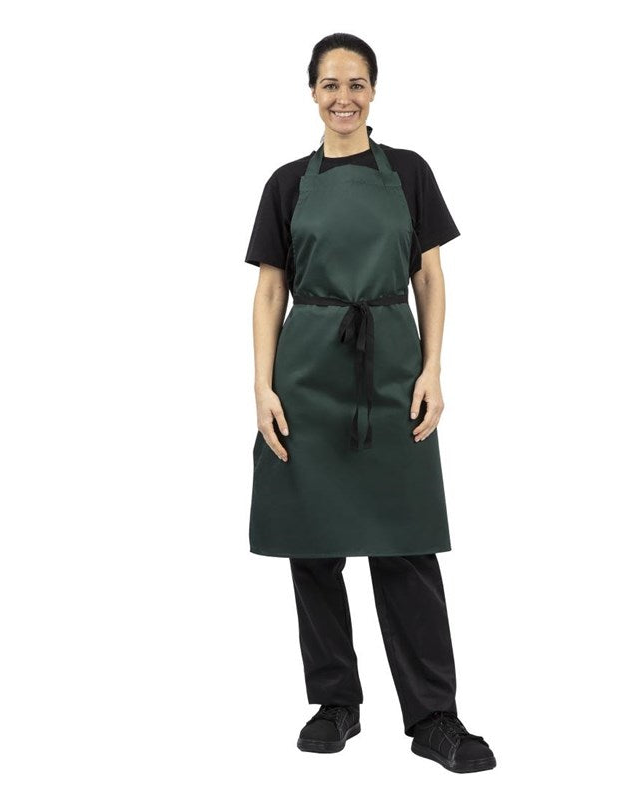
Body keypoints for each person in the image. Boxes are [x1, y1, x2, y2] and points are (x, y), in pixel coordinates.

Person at [244, 32, 496, 774]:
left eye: (356, 84)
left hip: (392, 370)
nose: (344, 98)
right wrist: (262, 386)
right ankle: (336, 704)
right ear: (312, 93)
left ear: (374, 90)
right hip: (307, 375)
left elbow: (430, 278)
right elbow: (269, 291)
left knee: (407, 544)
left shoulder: (409, 173)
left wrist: (433, 369)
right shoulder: (286, 184)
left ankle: (434, 718)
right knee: (313, 546)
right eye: (331, 85)